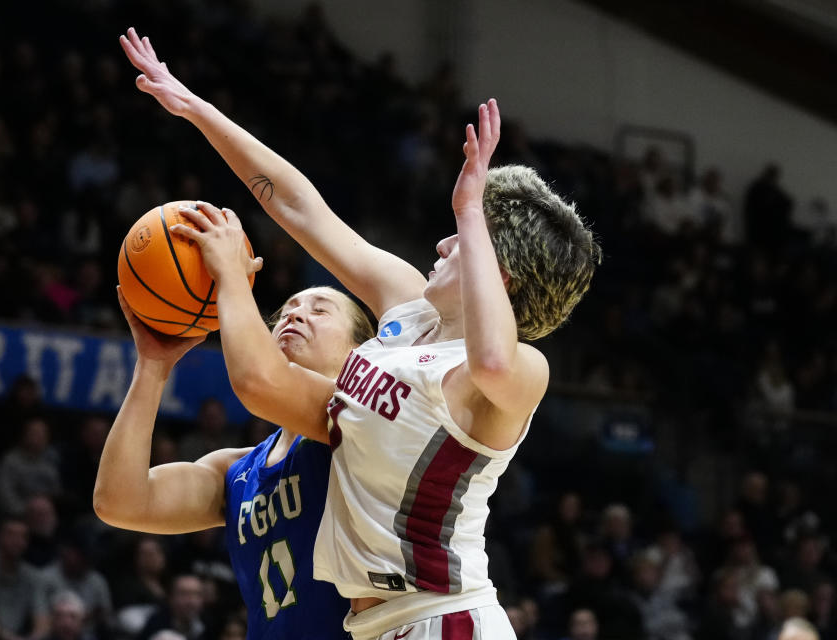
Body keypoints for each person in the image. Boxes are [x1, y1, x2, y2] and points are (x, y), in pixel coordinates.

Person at [120, 25, 599, 640]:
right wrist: (198, 110)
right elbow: (300, 207)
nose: (444, 243)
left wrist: (473, 212)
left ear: (497, 273)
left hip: (446, 620)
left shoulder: (518, 372)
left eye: (461, 241)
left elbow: (493, 361)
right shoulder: (407, 305)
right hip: (372, 627)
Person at [93, 261, 373, 636]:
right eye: (287, 309)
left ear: (361, 351)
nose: (295, 314)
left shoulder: (363, 423)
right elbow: (118, 502)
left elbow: (259, 382)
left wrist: (227, 270)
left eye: (319, 309)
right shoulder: (236, 469)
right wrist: (152, 366)